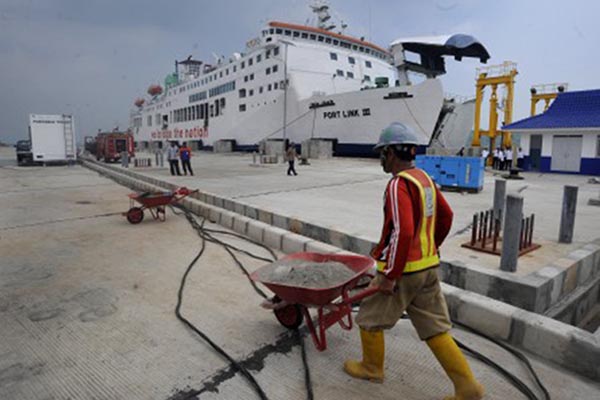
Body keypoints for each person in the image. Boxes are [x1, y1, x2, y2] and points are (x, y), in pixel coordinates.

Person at [344, 122, 484, 400]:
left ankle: (372, 368)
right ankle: (468, 387)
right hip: (429, 268)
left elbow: (403, 230)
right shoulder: (424, 179)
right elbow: (446, 217)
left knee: (370, 318)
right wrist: (430, 246)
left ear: (391, 154)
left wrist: (390, 275)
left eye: (382, 153)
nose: (381, 159)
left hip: (404, 273)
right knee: (434, 327)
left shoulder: (397, 185)